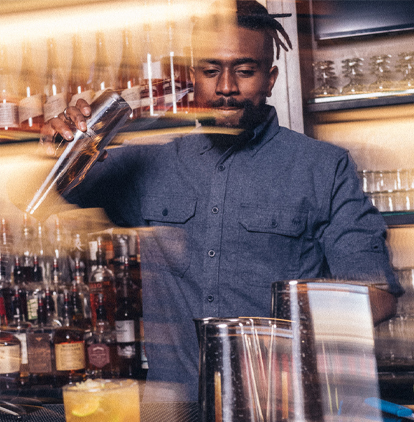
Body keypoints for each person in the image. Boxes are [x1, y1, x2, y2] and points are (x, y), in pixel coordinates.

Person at [40, 0, 402, 402]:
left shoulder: (323, 168)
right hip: (176, 408)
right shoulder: (150, 161)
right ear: (193, 76)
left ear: (270, 78)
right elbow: (63, 189)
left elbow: (379, 296)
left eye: (245, 71)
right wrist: (62, 143)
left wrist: (274, 338)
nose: (226, 87)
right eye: (211, 70)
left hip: (277, 406)